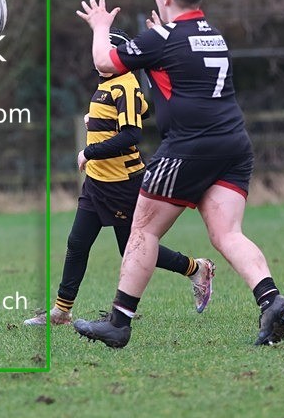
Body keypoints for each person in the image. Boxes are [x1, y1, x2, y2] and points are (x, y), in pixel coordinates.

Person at [73, 0, 284, 348]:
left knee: (142, 230)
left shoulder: (162, 36)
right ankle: (272, 300)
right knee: (227, 233)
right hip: (233, 144)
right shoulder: (214, 35)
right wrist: (154, 35)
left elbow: (105, 62)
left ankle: (119, 322)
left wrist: (99, 27)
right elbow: (173, 64)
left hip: (189, 147)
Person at [24, 28, 214, 327]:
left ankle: (195, 268)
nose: (96, 53)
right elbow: (142, 111)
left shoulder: (123, 83)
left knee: (133, 249)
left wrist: (90, 151)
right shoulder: (109, 83)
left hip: (123, 184)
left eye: (101, 47)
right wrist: (97, 121)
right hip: (97, 183)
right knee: (77, 242)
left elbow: (132, 134)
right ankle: (62, 312)